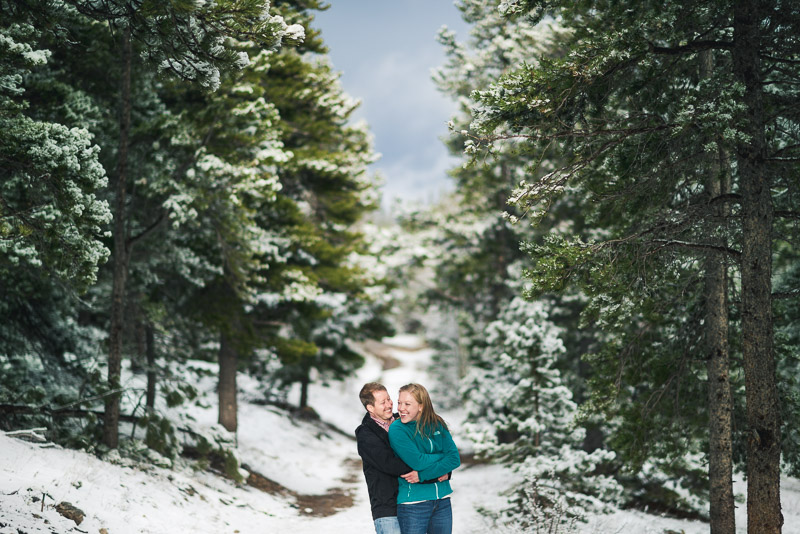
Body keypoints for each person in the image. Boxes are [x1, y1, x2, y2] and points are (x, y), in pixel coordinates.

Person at [388, 383, 461, 534]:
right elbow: (418, 462)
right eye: (399, 402)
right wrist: (443, 457)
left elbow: (454, 459)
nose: (401, 408)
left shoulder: (437, 423)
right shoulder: (397, 429)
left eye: (407, 404)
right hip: (413, 503)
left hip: (442, 501)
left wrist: (422, 475)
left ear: (421, 406)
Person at [356, 382, 427, 534]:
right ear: (370, 408)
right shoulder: (365, 434)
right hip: (387, 508)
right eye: (383, 402)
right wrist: (430, 471)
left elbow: (428, 447)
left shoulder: (404, 422)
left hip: (414, 502)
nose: (389, 404)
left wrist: (440, 468)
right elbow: (391, 464)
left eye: (389, 399)